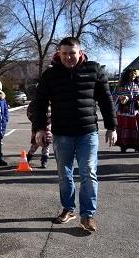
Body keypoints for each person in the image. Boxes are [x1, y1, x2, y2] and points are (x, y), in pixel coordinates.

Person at [32, 36, 117, 232]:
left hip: (87, 132)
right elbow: (40, 103)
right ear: (58, 54)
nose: (68, 57)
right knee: (65, 174)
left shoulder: (94, 70)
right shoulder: (50, 75)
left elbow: (106, 100)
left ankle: (87, 215)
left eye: (72, 53)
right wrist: (39, 128)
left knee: (89, 172)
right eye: (64, 54)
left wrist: (112, 127)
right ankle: (68, 209)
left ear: (80, 52)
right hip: (62, 134)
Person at [113, 68, 139, 153]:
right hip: (124, 110)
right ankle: (124, 145)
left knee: (137, 127)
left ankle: (137, 145)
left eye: (134, 74)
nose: (133, 75)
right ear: (127, 74)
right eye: (131, 74)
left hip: (135, 110)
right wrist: (121, 98)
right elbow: (114, 95)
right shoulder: (121, 85)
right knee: (124, 128)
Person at [26, 99, 51, 168]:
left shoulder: (50, 102)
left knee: (46, 145)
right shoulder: (34, 102)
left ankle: (44, 161)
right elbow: (29, 114)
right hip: (37, 127)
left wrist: (48, 121)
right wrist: (35, 120)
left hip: (47, 127)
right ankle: (27, 160)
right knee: (35, 144)